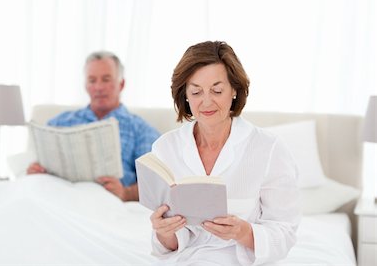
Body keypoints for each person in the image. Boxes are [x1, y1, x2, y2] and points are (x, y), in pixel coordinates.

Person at [149, 41, 300, 265]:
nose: (206, 101)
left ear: (235, 90)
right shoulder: (165, 148)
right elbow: (169, 244)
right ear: (185, 95)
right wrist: (163, 231)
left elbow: (284, 232)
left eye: (217, 90)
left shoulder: (268, 149)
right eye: (196, 91)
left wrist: (243, 232)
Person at [27, 51, 160, 202]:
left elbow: (156, 184)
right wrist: (35, 170)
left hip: (105, 202)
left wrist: (125, 192)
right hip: (58, 198)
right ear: (85, 85)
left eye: (106, 79)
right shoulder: (59, 123)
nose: (98, 87)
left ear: (121, 84)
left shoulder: (141, 129)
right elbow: (40, 164)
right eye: (92, 80)